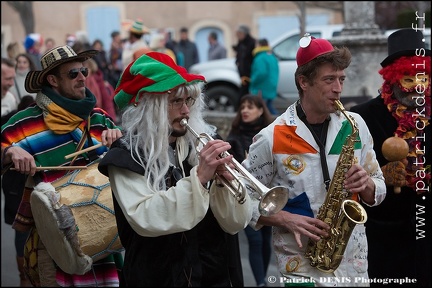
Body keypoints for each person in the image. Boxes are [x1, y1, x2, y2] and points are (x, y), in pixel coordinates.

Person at [97, 51, 252, 286]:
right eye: (176, 101)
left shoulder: (202, 143)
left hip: (213, 276)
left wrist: (224, 184)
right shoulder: (124, 157)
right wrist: (199, 178)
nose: (186, 111)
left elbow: (234, 223)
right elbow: (146, 217)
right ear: (149, 108)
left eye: (188, 100)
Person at [241, 35, 386, 286]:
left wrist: (369, 185)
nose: (338, 88)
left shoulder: (355, 126)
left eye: (341, 79)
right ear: (303, 82)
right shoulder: (270, 137)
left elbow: (378, 185)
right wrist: (283, 218)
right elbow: (240, 199)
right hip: (301, 266)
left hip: (353, 267)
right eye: (329, 80)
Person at [1, 45, 123, 287]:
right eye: (73, 73)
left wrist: (120, 142)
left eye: (83, 71)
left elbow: (126, 169)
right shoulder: (24, 123)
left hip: (103, 239)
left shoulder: (99, 118)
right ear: (53, 80)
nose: (81, 78)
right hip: (54, 243)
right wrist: (10, 151)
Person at [350, 28, 431, 286]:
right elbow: (346, 169)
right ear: (393, 78)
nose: (417, 87)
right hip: (384, 235)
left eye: (424, 78)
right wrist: (379, 176)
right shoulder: (362, 116)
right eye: (408, 79)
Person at [226, 94, 274, 287]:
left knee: (265, 240)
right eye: (243, 107)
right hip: (245, 198)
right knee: (255, 241)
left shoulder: (269, 135)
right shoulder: (234, 138)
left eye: (250, 107)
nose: (245, 110)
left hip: (268, 196)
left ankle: (263, 279)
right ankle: (260, 282)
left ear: (261, 110)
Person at [249, 38, 279, 116]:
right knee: (269, 107)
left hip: (261, 88)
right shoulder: (272, 57)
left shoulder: (260, 58)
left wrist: (252, 81)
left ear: (259, 45)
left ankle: (282, 123)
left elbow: (261, 73)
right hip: (271, 86)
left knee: (264, 110)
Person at [233, 25, 256, 99]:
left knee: (245, 92)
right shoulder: (241, 42)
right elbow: (239, 55)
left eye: (240, 33)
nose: (238, 35)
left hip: (249, 73)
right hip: (242, 72)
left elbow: (249, 56)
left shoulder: (252, 43)